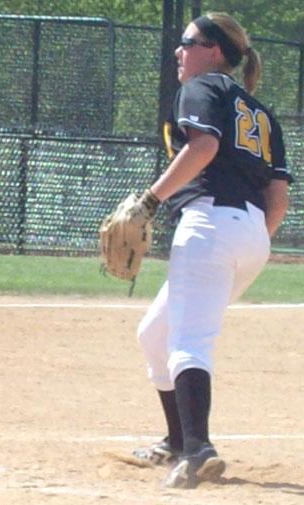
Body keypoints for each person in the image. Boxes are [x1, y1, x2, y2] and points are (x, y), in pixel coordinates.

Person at [129, 13, 293, 488]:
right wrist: (247, 237)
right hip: (253, 235)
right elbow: (278, 200)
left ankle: (198, 450)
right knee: (154, 334)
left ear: (215, 51)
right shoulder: (261, 113)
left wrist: (149, 201)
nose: (179, 52)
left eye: (188, 42)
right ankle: (177, 441)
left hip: (210, 223)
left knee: (188, 341)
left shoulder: (204, 87)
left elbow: (202, 147)